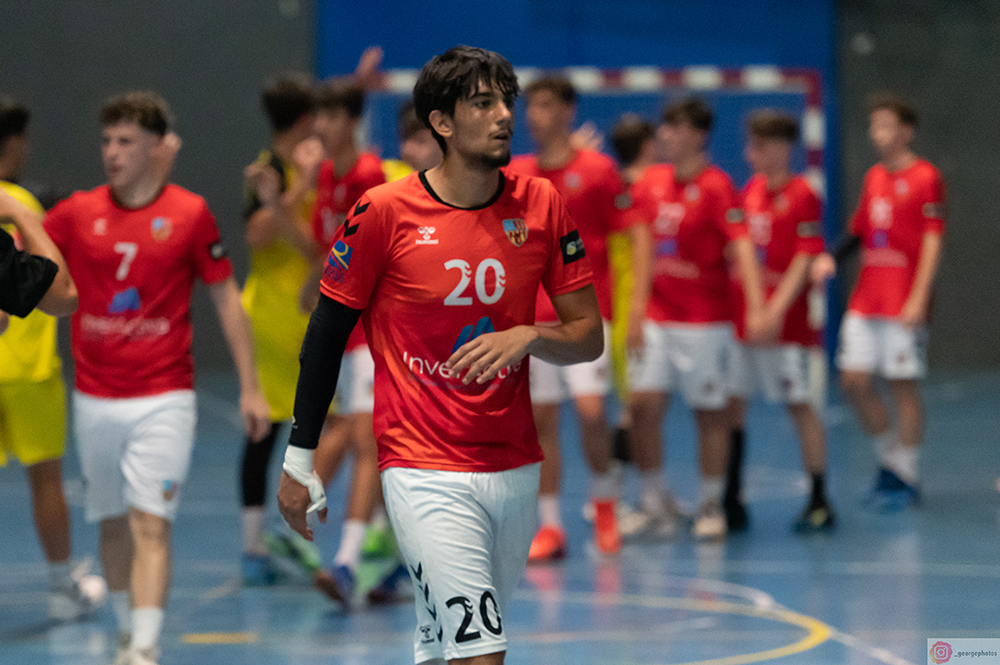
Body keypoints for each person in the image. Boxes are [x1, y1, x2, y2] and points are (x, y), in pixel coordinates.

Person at [278, 45, 602, 665]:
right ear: (441, 123)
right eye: (483, 103)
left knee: (445, 646)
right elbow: (324, 335)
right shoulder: (383, 211)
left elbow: (588, 336)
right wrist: (299, 458)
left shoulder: (541, 204)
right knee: (482, 652)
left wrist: (530, 336)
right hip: (421, 465)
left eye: (506, 101)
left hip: (514, 465)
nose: (503, 115)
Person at [43, 91, 271, 665]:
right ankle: (127, 632)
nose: (112, 153)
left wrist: (250, 386)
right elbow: (25, 261)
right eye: (106, 141)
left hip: (163, 397)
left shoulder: (189, 214)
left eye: (126, 141)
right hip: (95, 397)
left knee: (151, 523)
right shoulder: (76, 212)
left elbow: (226, 300)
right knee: (112, 523)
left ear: (157, 148)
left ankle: (144, 648)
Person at [505, 76, 640, 559]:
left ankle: (604, 503)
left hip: (586, 315)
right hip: (535, 318)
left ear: (567, 110)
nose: (534, 115)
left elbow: (632, 235)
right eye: (530, 106)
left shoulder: (599, 171)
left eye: (545, 105)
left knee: (590, 413)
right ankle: (551, 526)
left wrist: (635, 309)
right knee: (541, 420)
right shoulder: (517, 174)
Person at [625, 98, 765, 541]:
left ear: (699, 135)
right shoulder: (650, 182)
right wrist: (635, 312)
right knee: (642, 407)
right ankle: (654, 501)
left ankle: (709, 504)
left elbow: (741, 246)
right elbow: (643, 248)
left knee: (710, 414)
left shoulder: (717, 186)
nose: (665, 135)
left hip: (706, 322)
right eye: (664, 127)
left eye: (676, 127)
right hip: (657, 318)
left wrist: (757, 307)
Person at [813, 95, 945, 511]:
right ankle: (891, 460)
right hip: (867, 298)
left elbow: (932, 239)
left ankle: (908, 474)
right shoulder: (873, 177)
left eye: (886, 125)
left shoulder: (926, 177)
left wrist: (919, 296)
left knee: (902, 385)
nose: (878, 134)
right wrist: (831, 257)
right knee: (852, 381)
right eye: (874, 126)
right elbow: (860, 229)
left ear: (906, 131)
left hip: (903, 301)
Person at [0, 98, 97, 622]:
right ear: (14, 142)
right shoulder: (27, 204)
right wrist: (26, 218)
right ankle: (62, 589)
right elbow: (62, 293)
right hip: (29, 369)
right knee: (46, 480)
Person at [299, 77, 389, 608]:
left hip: (372, 328)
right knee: (358, 437)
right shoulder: (328, 175)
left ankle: (351, 560)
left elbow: (372, 250)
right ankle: (369, 552)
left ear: (353, 122)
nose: (321, 126)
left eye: (332, 117)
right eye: (319, 116)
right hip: (345, 330)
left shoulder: (369, 175)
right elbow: (326, 244)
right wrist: (314, 287)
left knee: (366, 440)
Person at [725, 110, 834, 532]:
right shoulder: (750, 191)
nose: (749, 155)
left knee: (799, 405)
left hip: (786, 328)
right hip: (745, 323)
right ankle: (731, 496)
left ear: (780, 148)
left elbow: (806, 257)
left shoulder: (803, 193)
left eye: (758, 147)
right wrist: (753, 310)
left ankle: (819, 498)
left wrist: (773, 311)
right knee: (733, 404)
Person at [239, 74, 325, 585]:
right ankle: (257, 545)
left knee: (324, 425)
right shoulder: (269, 169)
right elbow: (256, 233)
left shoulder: (314, 164)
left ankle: (285, 531)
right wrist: (298, 189)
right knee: (269, 426)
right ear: (306, 119)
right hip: (275, 312)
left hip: (308, 310)